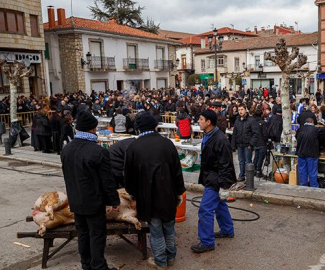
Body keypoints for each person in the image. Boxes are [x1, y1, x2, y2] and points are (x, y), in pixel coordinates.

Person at [124, 112, 186, 268]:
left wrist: (132, 194)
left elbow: (128, 176)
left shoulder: (133, 147)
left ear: (138, 128)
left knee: (156, 228)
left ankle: (160, 261)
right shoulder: (167, 144)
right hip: (168, 194)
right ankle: (171, 257)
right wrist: (179, 192)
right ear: (155, 126)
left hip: (147, 197)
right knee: (169, 226)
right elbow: (177, 171)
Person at [61, 111, 120, 270]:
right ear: (93, 129)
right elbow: (107, 181)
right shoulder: (98, 151)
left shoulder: (67, 149)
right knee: (96, 235)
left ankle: (86, 265)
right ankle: (99, 266)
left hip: (75, 200)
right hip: (93, 202)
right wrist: (114, 200)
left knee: (83, 234)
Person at [191, 109, 237, 253]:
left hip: (216, 180)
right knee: (220, 205)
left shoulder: (220, 140)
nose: (199, 121)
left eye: (201, 119)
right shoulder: (209, 135)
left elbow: (226, 164)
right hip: (211, 177)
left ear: (208, 122)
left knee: (205, 210)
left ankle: (206, 242)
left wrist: (224, 186)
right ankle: (227, 230)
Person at [295, 118, 325, 187]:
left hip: (301, 153)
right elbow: (322, 140)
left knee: (302, 171)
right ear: (312, 122)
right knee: (312, 172)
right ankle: (314, 187)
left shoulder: (300, 129)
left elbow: (297, 138)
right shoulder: (316, 130)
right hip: (312, 153)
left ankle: (303, 186)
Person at [231, 104, 257, 181]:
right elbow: (234, 133)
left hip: (248, 145)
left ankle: (248, 178)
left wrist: (251, 144)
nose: (240, 111)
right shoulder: (237, 120)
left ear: (245, 110)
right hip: (240, 144)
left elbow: (255, 133)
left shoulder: (251, 120)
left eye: (242, 109)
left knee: (248, 161)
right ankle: (241, 175)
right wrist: (233, 145)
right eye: (239, 110)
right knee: (241, 161)